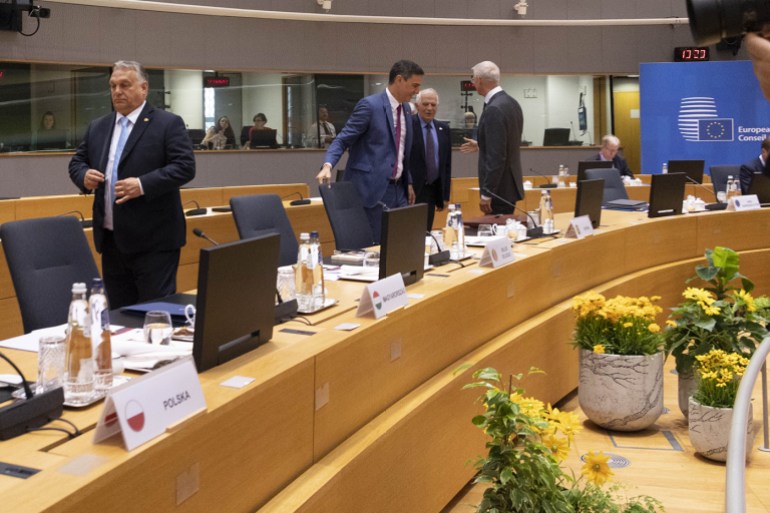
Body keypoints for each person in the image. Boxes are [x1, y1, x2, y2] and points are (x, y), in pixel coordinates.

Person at [68, 60, 195, 309]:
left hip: (154, 243)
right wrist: (83, 176)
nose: (117, 91)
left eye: (125, 85)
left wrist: (142, 184)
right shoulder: (99, 126)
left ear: (144, 88)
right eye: (113, 85)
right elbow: (77, 162)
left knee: (155, 314)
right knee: (118, 317)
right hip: (113, 242)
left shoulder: (167, 123)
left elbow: (185, 167)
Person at [316, 59, 424, 242]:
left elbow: (401, 151)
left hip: (400, 191)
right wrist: (328, 165)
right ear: (399, 80)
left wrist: (409, 182)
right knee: (377, 249)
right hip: (373, 189)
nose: (417, 91)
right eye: (414, 85)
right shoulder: (370, 106)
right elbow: (342, 139)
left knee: (404, 243)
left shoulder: (406, 110)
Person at [460, 61, 523, 215]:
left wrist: (487, 193)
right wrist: (483, 144)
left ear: (479, 80)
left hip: (498, 191)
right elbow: (505, 144)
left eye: (473, 78)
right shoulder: (512, 103)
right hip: (509, 187)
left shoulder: (494, 108)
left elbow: (497, 157)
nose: (472, 82)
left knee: (497, 236)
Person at [410, 88, 451, 230]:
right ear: (417, 106)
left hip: (432, 191)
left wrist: (445, 195)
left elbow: (446, 164)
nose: (429, 108)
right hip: (411, 191)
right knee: (410, 232)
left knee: (426, 233)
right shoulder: (408, 126)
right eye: (425, 104)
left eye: (433, 105)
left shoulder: (443, 129)